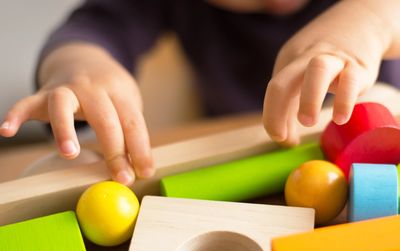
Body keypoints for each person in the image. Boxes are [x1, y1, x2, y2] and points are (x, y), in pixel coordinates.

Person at [1, 0, 399, 186]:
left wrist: (372, 19)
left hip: (383, 129)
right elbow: (96, 26)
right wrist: (79, 68)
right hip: (235, 136)